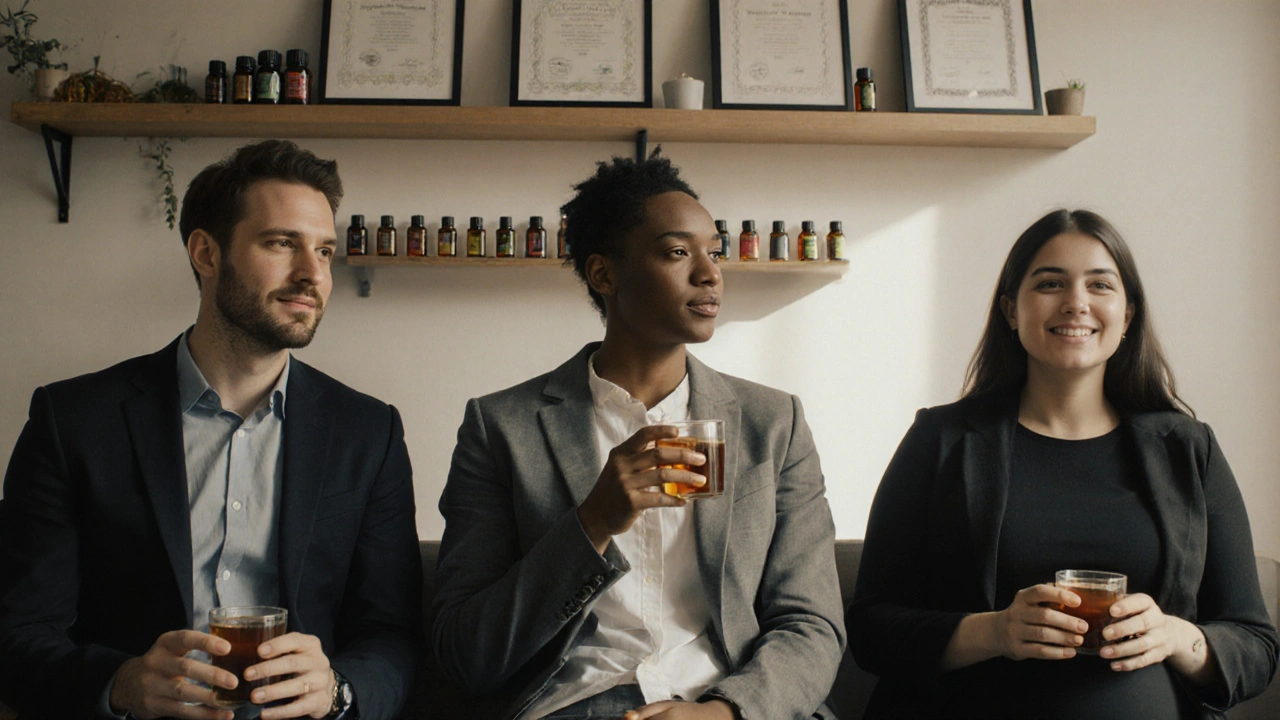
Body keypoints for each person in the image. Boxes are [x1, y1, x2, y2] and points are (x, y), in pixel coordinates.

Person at [0, 140, 422, 720]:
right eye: (282, 243)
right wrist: (121, 683)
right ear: (206, 253)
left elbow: (392, 634)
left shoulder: (369, 432)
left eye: (324, 251)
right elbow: (19, 631)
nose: (312, 275)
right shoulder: (72, 420)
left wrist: (337, 691)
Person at [431, 151, 844, 720]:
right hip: (576, 702)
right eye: (678, 252)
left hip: (734, 703)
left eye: (715, 252)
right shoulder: (501, 426)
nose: (710, 273)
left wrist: (726, 712)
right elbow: (465, 652)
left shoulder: (773, 423)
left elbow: (812, 623)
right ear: (605, 274)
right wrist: (592, 522)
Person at [846, 209, 1278, 718]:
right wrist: (993, 631)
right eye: (1050, 283)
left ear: (1128, 314)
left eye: (1100, 285)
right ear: (1010, 309)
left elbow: (1255, 646)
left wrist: (1176, 638)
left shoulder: (1189, 448)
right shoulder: (939, 441)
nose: (1076, 303)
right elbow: (871, 630)